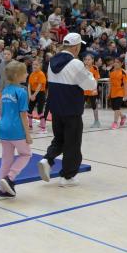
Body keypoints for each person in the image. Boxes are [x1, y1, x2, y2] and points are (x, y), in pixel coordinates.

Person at [38, 33, 97, 187]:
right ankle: (68, 177)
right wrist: (89, 73)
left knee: (60, 139)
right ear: (76, 47)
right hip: (71, 109)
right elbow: (90, 85)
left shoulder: (52, 61)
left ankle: (47, 159)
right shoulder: (75, 63)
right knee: (73, 143)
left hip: (56, 108)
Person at [0, 61, 32, 200]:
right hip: (16, 130)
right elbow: (23, 115)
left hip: (3, 128)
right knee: (26, 154)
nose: (27, 74)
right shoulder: (21, 92)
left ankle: (2, 190)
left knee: (6, 159)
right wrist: (28, 135)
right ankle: (10, 178)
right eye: (25, 72)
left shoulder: (5, 91)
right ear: (17, 75)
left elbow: (3, 110)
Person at [27, 57, 47, 132]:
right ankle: (30, 126)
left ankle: (43, 127)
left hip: (40, 93)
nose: (34, 66)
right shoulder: (32, 74)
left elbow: (39, 86)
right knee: (29, 110)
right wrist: (30, 95)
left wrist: (34, 95)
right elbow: (29, 85)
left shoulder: (41, 74)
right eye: (33, 64)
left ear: (40, 66)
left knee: (40, 110)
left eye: (36, 65)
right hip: (32, 93)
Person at [108, 57, 127, 129]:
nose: (116, 63)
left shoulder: (123, 73)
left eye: (118, 62)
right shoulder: (111, 72)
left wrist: (125, 95)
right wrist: (109, 93)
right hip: (113, 92)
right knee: (114, 108)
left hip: (120, 92)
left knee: (117, 107)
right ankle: (123, 116)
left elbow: (125, 84)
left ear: (121, 64)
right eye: (115, 62)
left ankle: (115, 122)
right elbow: (110, 83)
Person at [83, 54, 101, 128]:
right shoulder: (82, 68)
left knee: (94, 105)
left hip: (92, 90)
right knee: (80, 105)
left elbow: (96, 79)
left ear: (92, 60)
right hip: (84, 90)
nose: (87, 61)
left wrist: (94, 88)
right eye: (86, 59)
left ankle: (97, 121)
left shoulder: (95, 68)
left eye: (89, 59)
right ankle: (78, 121)